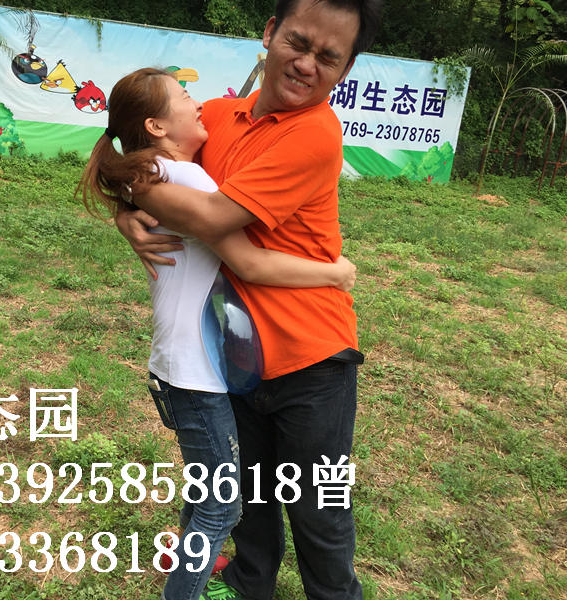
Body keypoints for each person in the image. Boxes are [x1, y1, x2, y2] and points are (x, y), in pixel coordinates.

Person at [114, 2, 384, 599]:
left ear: (345, 70)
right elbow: (132, 151)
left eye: (328, 57)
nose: (306, 63)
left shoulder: (315, 134)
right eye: (298, 42)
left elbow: (212, 217)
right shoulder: (213, 117)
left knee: (318, 509)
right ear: (269, 32)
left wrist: (138, 194)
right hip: (234, 351)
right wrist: (126, 209)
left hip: (311, 356)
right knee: (252, 498)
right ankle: (247, 585)